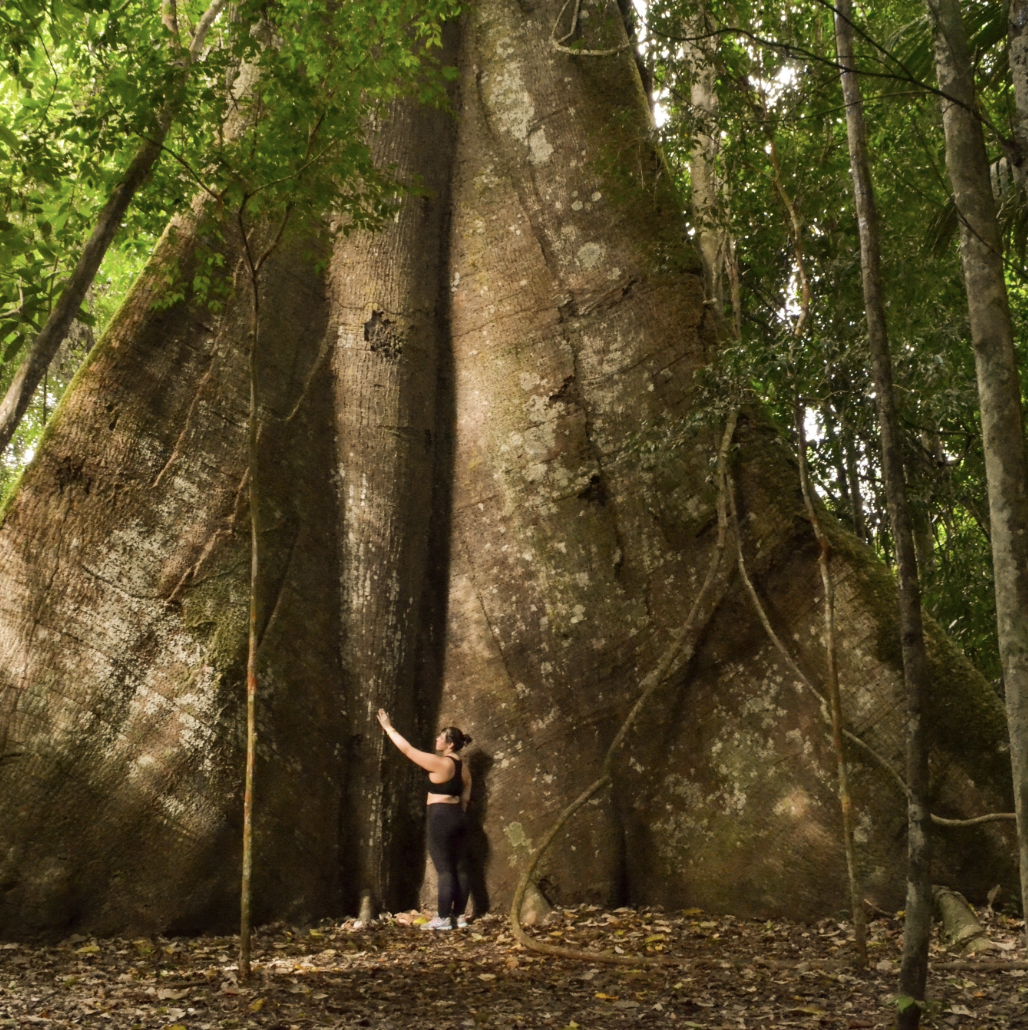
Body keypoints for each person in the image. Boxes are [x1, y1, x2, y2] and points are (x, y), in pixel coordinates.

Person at [376, 709, 472, 930]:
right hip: (459, 816)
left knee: (445, 869)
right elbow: (466, 796)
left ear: (450, 744)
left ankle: (443, 918)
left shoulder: (442, 764)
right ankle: (460, 916)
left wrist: (389, 728)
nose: (437, 739)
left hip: (440, 817)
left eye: (441, 736)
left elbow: (408, 751)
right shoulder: (463, 768)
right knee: (461, 868)